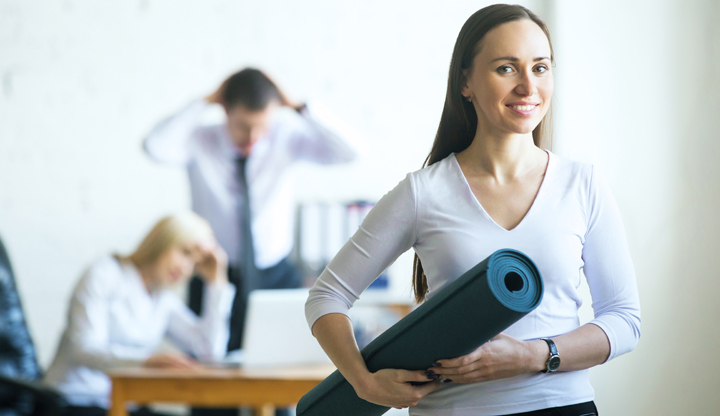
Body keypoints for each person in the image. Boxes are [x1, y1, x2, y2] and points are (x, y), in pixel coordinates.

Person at [305, 4, 641, 416]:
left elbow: (624, 321)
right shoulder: (423, 193)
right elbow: (326, 296)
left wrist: (535, 355)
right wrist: (364, 382)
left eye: (540, 68)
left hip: (561, 407)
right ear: (466, 82)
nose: (528, 87)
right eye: (506, 68)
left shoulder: (582, 184)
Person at [143, 68, 365, 354]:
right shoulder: (199, 140)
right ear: (225, 110)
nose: (253, 136)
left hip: (275, 274)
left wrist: (299, 106)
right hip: (212, 274)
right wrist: (204, 101)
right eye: (243, 126)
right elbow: (154, 146)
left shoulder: (285, 138)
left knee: (276, 363)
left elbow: (352, 151)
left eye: (262, 126)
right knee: (209, 371)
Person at [43, 213, 235, 416]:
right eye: (184, 253)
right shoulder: (105, 274)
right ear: (162, 241)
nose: (185, 268)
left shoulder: (163, 298)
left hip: (123, 404)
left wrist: (217, 282)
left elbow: (211, 352)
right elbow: (84, 349)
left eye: (194, 265)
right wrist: (147, 362)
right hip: (75, 400)